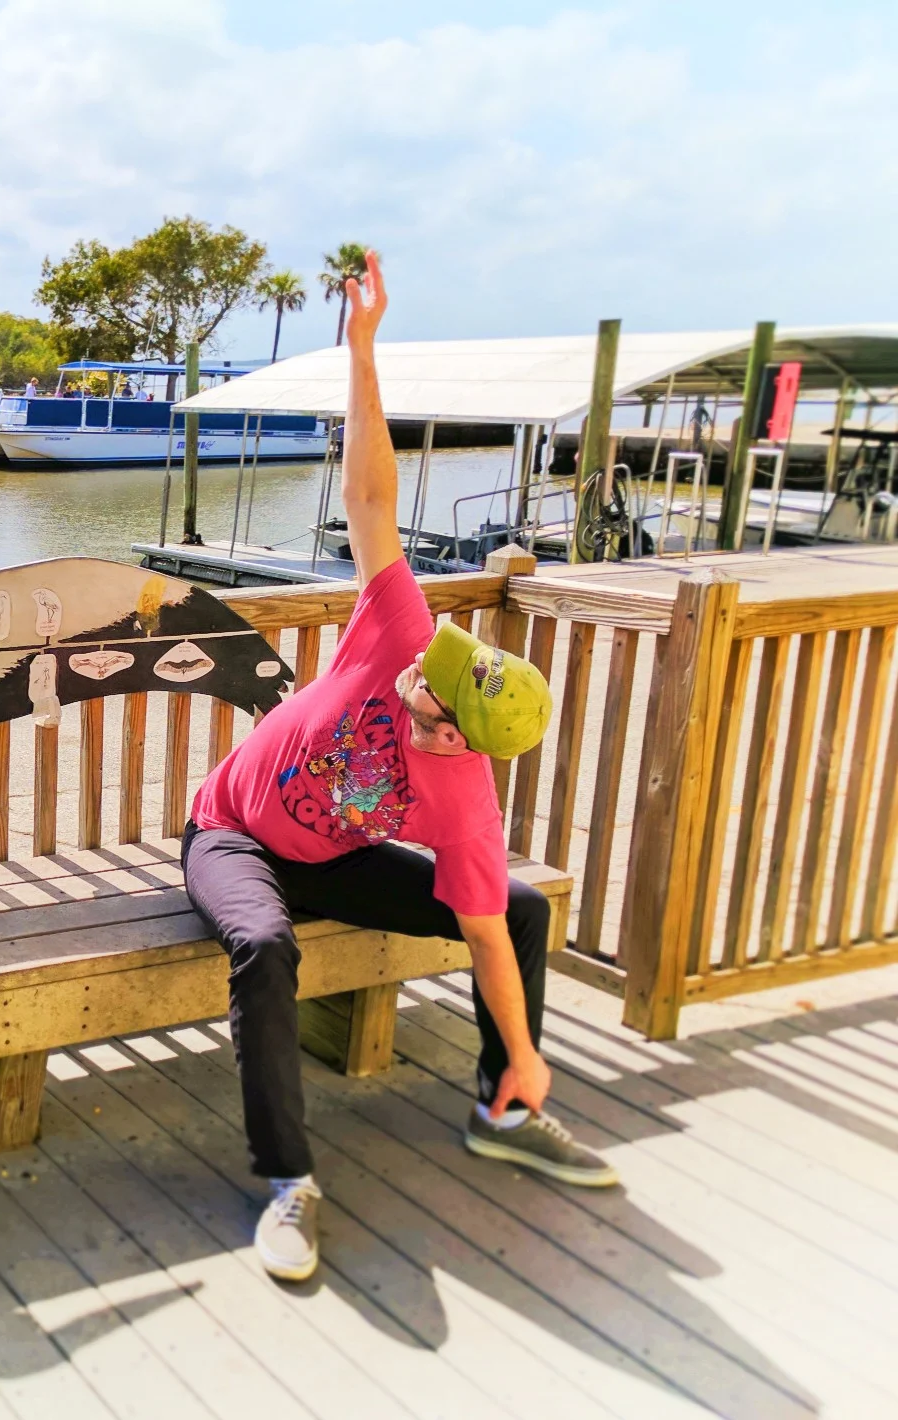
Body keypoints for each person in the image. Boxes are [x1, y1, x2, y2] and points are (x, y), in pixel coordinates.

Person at [180, 251, 616, 1285]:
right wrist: (363, 350)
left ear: (458, 734)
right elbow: (369, 492)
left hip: (331, 860)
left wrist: (522, 1050)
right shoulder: (397, 629)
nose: (428, 662)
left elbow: (482, 931)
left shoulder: (460, 795)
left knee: (518, 911)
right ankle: (288, 1182)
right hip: (230, 834)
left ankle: (500, 1109)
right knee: (262, 945)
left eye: (442, 683)